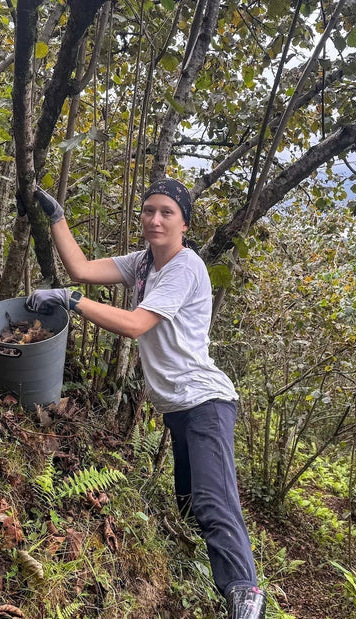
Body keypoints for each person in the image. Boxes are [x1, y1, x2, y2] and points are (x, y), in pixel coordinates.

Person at [26, 180, 266, 619]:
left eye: (167, 212)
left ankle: (245, 593)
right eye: (149, 211)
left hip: (205, 402)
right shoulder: (142, 264)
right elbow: (80, 268)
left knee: (213, 500)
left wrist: (71, 301)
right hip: (177, 406)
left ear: (184, 222)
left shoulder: (185, 267)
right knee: (189, 501)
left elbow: (136, 324)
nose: (155, 220)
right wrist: (57, 217)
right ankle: (204, 583)